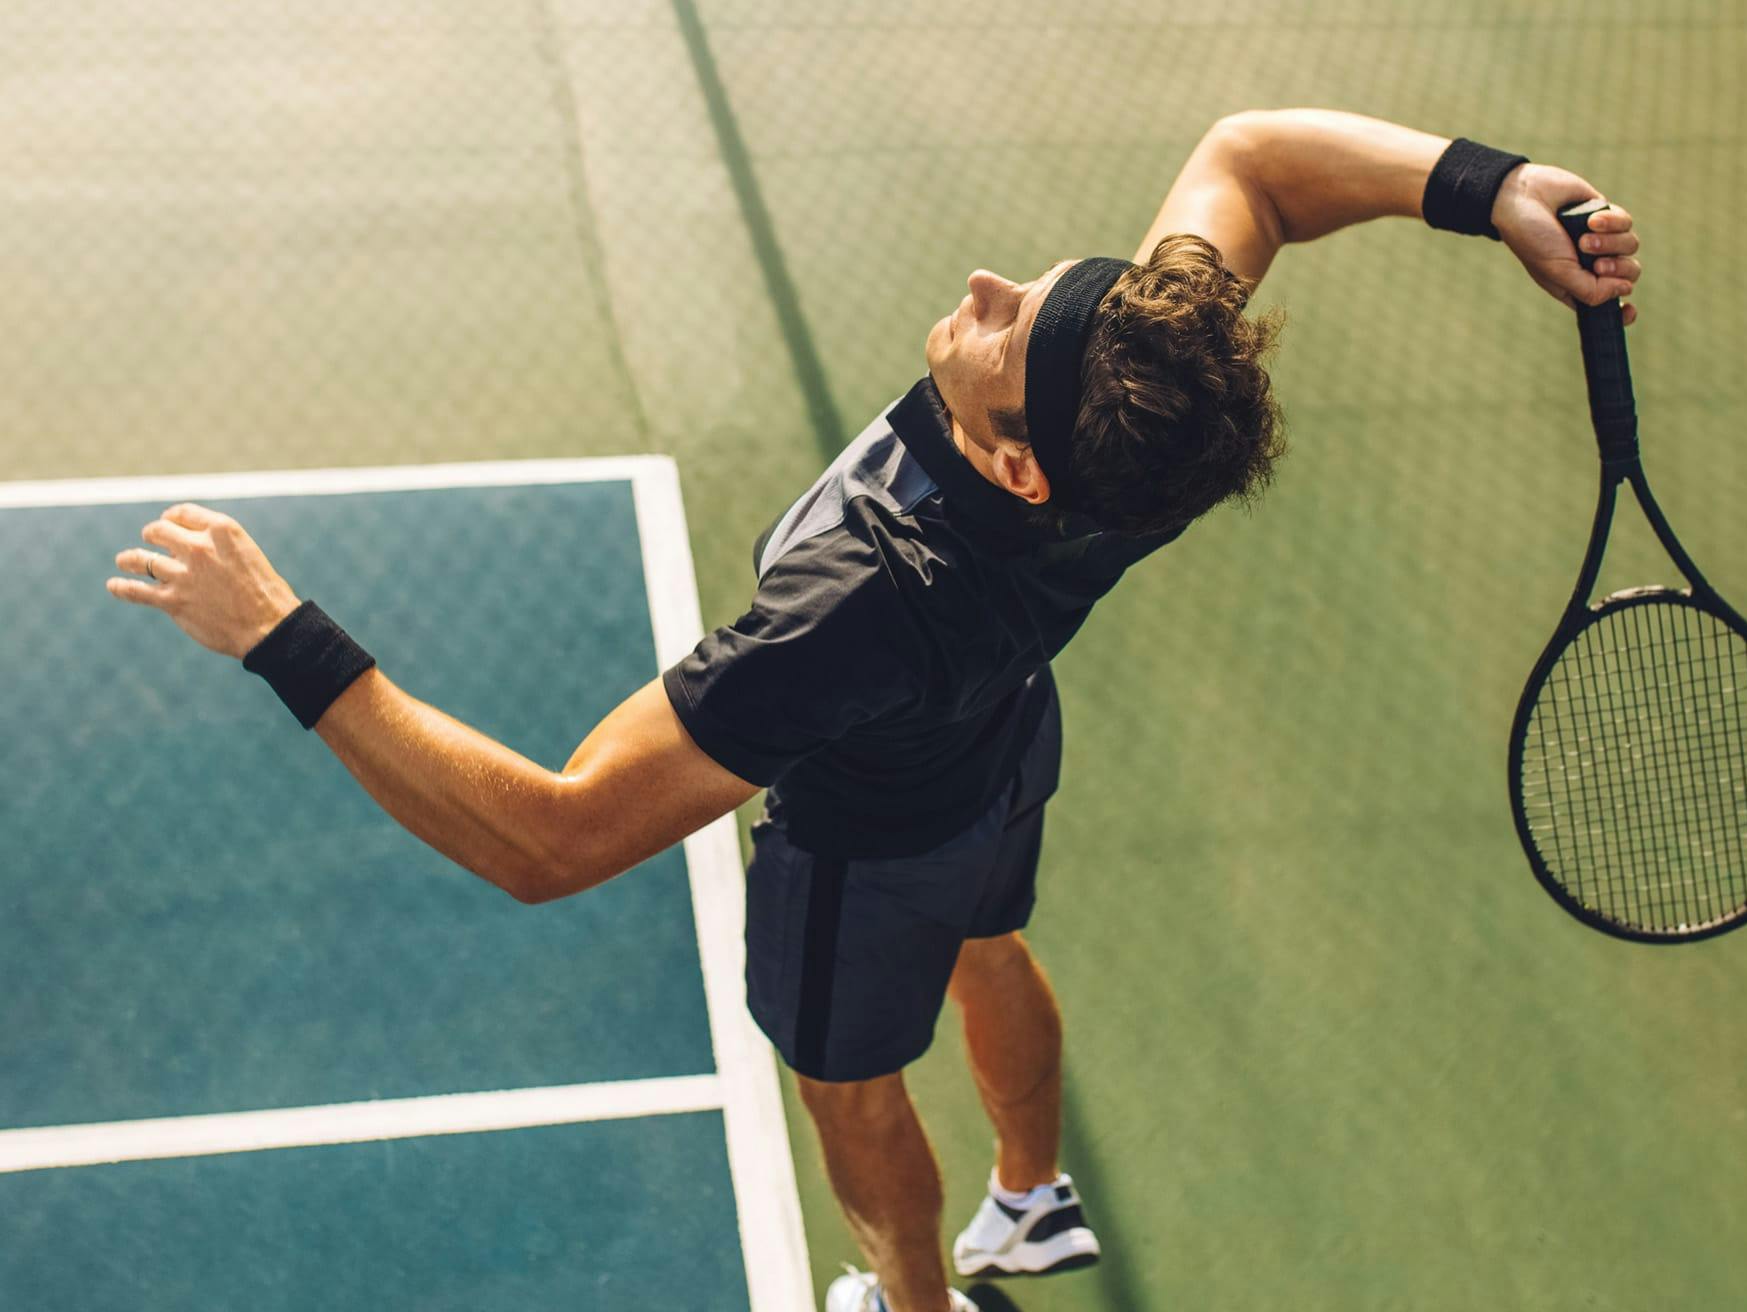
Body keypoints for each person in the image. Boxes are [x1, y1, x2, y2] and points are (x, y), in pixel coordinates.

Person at [104, 109, 1641, 1312]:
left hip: (861, 839)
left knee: (848, 1083)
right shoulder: (1141, 410)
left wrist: (281, 636)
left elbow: (549, 839)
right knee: (988, 936)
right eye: (1041, 291)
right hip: (1002, 750)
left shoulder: (856, 606)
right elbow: (1255, 161)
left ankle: (916, 1301)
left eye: (1003, 331)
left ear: (1017, 467)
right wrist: (1491, 187)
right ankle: (1032, 1194)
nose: (986, 288)